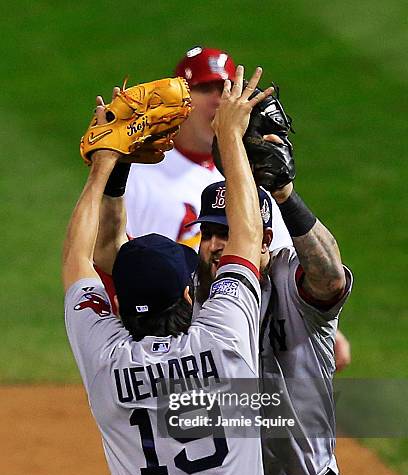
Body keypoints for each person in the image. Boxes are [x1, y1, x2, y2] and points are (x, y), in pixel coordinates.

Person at [63, 67, 289, 475]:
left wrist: (104, 169)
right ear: (191, 296)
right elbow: (248, 233)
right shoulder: (225, 338)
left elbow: (79, 261)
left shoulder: (105, 363)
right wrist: (230, 139)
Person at [188, 177, 384, 475]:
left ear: (266, 238)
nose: (218, 245)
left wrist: (285, 196)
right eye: (210, 233)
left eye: (232, 231)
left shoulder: (288, 279)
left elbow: (330, 277)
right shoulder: (191, 295)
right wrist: (112, 172)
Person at [124, 45, 351, 371]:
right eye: (204, 88)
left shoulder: (257, 170)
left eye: (225, 88)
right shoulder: (144, 174)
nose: (218, 99)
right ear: (182, 101)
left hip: (255, 330)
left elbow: (288, 259)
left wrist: (326, 322)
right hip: (178, 338)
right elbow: (124, 264)